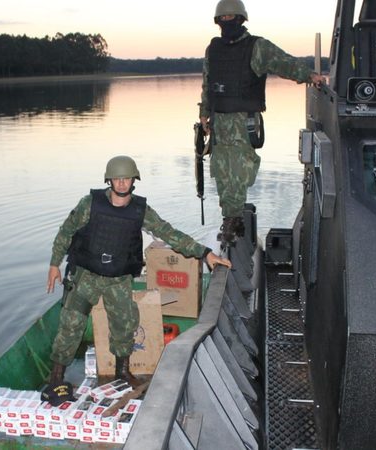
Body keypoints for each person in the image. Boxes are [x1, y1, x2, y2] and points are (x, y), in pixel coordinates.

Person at [44, 155, 231, 402]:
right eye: (117, 179)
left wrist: (205, 253)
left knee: (125, 326)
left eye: (127, 178)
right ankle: (57, 376)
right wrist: (54, 264)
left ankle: (122, 372)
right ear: (109, 180)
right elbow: (66, 231)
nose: (122, 184)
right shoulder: (89, 204)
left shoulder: (140, 211)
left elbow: (168, 233)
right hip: (86, 275)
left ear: (134, 180)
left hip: (119, 279)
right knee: (71, 325)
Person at [199, 0, 325, 243]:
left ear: (241, 20)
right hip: (218, 121)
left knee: (239, 170)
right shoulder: (212, 49)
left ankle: (233, 220)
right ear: (218, 23)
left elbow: (284, 63)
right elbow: (208, 83)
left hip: (243, 120)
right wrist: (204, 114)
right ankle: (229, 218)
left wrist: (309, 75)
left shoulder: (257, 47)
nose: (227, 23)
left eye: (230, 19)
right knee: (222, 172)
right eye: (222, 20)